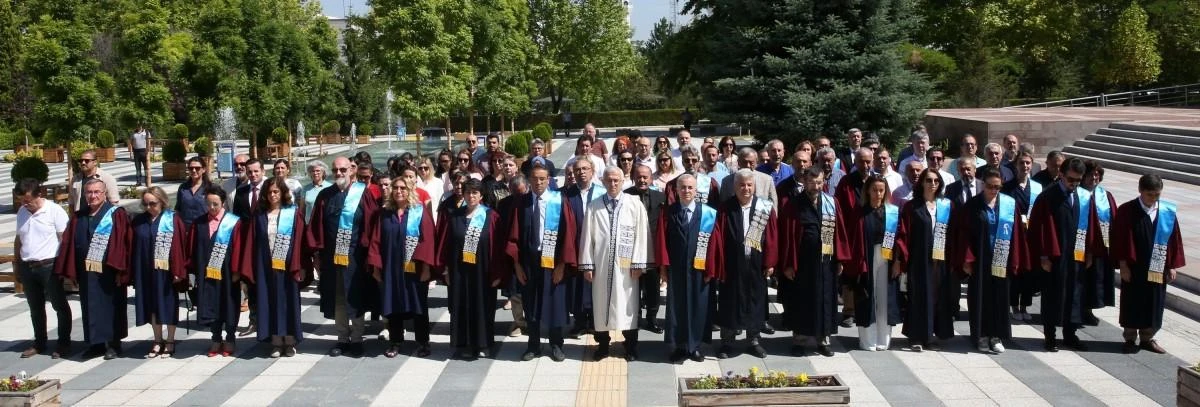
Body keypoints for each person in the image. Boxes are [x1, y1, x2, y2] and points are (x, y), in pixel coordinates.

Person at [307, 156, 381, 357]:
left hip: (356, 256)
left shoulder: (363, 194)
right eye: (335, 170)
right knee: (337, 296)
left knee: (355, 295)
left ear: (352, 170)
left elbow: (372, 225)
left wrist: (370, 255)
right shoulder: (325, 195)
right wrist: (316, 254)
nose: (339, 173)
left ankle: (357, 338)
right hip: (331, 257)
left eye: (343, 170)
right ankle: (342, 337)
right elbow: (316, 226)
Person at [950, 168, 1029, 354]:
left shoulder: (1009, 204)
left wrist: (1015, 259)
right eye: (990, 186)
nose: (994, 190)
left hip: (1001, 257)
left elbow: (1017, 233)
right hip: (980, 259)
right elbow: (965, 235)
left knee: (1000, 298)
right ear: (983, 184)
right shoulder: (973, 205)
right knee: (980, 298)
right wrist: (967, 259)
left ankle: (996, 336)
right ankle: (981, 335)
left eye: (997, 187)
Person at [55, 179, 132, 360]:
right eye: (89, 192)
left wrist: (121, 270)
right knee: (89, 306)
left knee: (111, 306)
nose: (93, 195)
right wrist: (71, 270)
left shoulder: (115, 214)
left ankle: (113, 344)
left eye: (97, 192)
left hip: (109, 272)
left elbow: (123, 243)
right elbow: (70, 244)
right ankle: (95, 344)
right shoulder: (79, 216)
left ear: (104, 194)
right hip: (86, 272)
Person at [507, 166, 578, 362]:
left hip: (553, 261)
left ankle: (556, 344)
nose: (538, 183)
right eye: (534, 179)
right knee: (530, 304)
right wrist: (517, 266)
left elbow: (569, 236)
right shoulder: (521, 203)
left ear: (548, 180)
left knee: (555, 302)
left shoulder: (559, 201)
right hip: (529, 262)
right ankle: (533, 345)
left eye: (542, 179)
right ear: (529, 180)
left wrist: (562, 265)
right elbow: (514, 236)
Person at [1029, 157, 1100, 352]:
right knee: (1052, 296)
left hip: (1077, 256)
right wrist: (1043, 256)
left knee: (1075, 295)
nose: (1074, 184)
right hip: (1054, 258)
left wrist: (1090, 253)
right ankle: (1050, 336)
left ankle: (1070, 334)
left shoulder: (1084, 198)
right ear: (1061, 174)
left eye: (1078, 180)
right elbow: (1039, 228)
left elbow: (1091, 226)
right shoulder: (1047, 197)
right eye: (1070, 179)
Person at [579, 166, 649, 361]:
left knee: (628, 304)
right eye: (609, 180)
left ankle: (630, 345)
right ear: (603, 181)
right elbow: (587, 237)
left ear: (622, 181)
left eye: (616, 180)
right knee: (601, 304)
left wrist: (638, 263)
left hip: (627, 267)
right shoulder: (594, 206)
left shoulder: (634, 204)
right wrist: (587, 264)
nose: (613, 184)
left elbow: (642, 235)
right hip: (601, 266)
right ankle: (602, 344)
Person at [1113, 174, 1185, 354]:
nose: (1153, 199)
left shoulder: (1166, 212)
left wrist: (1172, 265)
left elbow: (1173, 239)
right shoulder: (1127, 210)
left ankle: (1147, 337)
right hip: (1134, 266)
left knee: (1154, 302)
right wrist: (1123, 265)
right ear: (1140, 191)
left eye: (1157, 195)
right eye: (1150, 194)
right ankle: (1130, 338)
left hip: (1157, 265)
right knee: (1132, 301)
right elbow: (1119, 239)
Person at [368, 175, 438, 358]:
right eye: (396, 188)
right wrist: (376, 267)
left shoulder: (419, 211)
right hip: (391, 268)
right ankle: (395, 341)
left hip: (414, 270)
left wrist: (426, 269)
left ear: (410, 190)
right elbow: (375, 240)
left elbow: (428, 240)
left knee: (419, 306)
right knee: (392, 304)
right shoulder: (385, 213)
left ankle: (423, 342)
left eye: (403, 188)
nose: (399, 191)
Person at [710, 170, 778, 359]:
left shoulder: (764, 207)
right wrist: (719, 264)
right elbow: (719, 238)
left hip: (756, 264)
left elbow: (771, 236)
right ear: (735, 186)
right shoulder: (725, 208)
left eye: (749, 185)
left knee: (755, 301)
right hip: (732, 265)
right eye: (742, 185)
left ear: (754, 186)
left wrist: (770, 262)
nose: (746, 188)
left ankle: (753, 341)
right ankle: (727, 341)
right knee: (729, 302)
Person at [437, 179, 506, 359]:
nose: (471, 196)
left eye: (475, 192)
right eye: (468, 192)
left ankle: (483, 344)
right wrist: (445, 270)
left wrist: (498, 272)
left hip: (483, 271)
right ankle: (464, 343)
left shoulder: (491, 216)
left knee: (482, 306)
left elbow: (498, 247)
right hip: (459, 271)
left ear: (481, 195)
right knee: (461, 305)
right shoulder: (455, 216)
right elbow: (446, 244)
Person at [778, 167, 839, 357]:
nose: (816, 186)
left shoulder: (831, 202)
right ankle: (800, 340)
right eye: (812, 182)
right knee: (802, 301)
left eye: (819, 182)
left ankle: (823, 340)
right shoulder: (793, 204)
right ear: (804, 181)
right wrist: (788, 264)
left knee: (825, 299)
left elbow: (839, 233)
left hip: (826, 262)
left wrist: (840, 259)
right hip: (802, 263)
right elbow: (786, 237)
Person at [837, 175, 901, 351]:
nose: (878, 194)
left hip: (887, 257)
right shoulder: (859, 213)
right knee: (867, 296)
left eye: (881, 190)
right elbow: (853, 240)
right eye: (874, 190)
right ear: (868, 191)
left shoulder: (892, 212)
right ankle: (867, 340)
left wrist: (897, 261)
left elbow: (900, 239)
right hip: (866, 257)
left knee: (884, 297)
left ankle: (883, 339)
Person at [894, 168, 955, 351]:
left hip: (940, 259)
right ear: (921, 183)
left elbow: (954, 234)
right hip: (919, 259)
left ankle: (931, 335)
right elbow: (903, 234)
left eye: (936, 181)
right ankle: (916, 337)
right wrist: (901, 259)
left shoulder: (946, 205)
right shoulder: (911, 206)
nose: (933, 184)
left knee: (936, 297)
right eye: (928, 180)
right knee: (918, 297)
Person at [247, 178, 307, 358]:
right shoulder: (259, 215)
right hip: (266, 266)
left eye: (276, 192)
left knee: (288, 301)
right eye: (270, 192)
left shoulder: (293, 214)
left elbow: (301, 242)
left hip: (288, 267)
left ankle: (289, 341)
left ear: (282, 193)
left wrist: (301, 265)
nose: (273, 195)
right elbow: (252, 243)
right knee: (269, 301)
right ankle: (275, 341)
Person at [657, 174, 714, 362]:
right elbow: (662, 242)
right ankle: (680, 346)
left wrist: (711, 270)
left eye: (690, 187)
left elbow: (715, 245)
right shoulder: (668, 212)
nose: (686, 191)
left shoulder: (708, 213)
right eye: (683, 187)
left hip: (700, 270)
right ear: (676, 190)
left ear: (696, 190)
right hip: (677, 270)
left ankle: (695, 346)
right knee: (677, 308)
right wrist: (664, 269)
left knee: (699, 306)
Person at [14, 179, 72, 359]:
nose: (25, 204)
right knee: (35, 307)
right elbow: (19, 239)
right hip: (28, 265)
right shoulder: (22, 212)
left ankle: (63, 342)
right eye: (21, 200)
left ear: (40, 195)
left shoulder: (54, 211)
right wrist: (17, 264)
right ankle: (39, 342)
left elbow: (65, 240)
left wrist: (64, 268)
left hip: (49, 265)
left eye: (28, 200)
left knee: (59, 305)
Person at [191, 186, 250, 358]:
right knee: (211, 304)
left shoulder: (233, 222)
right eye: (208, 204)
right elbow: (194, 248)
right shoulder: (199, 223)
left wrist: (237, 271)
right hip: (207, 273)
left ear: (223, 203)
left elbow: (239, 247)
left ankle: (230, 338)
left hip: (227, 272)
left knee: (229, 304)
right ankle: (216, 338)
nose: (211, 208)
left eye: (215, 204)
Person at [131, 187, 187, 358]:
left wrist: (178, 271)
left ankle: (170, 339)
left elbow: (179, 246)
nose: (149, 207)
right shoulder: (139, 221)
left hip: (166, 272)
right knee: (152, 305)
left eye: (152, 203)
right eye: (145, 204)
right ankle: (157, 339)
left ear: (162, 202)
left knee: (168, 304)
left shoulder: (172, 219)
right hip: (146, 270)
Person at [832, 148, 874, 327]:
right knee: (850, 275)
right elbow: (838, 209)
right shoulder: (846, 182)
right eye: (861, 162)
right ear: (855, 162)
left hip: (872, 235)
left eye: (868, 162)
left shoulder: (876, 181)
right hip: (850, 237)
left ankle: (866, 309)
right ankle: (848, 311)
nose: (865, 165)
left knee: (869, 274)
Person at [562, 158, 602, 337]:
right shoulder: (565, 195)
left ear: (592, 170)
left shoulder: (602, 193)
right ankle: (579, 321)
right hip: (575, 247)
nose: (581, 172)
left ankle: (594, 321)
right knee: (576, 285)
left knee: (595, 284)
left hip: (597, 247)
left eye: (585, 169)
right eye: (577, 170)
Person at [627, 165, 668, 335]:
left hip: (653, 250)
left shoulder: (661, 196)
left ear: (651, 179)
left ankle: (652, 319)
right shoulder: (626, 196)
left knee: (653, 288)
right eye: (638, 177)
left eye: (645, 177)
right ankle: (634, 319)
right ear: (633, 178)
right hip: (631, 251)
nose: (642, 180)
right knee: (633, 288)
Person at [1001, 151, 1042, 322]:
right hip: (1013, 235)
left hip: (1031, 236)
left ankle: (1025, 305)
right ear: (1016, 165)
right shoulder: (1007, 187)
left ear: (1031, 165)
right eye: (1021, 163)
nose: (1024, 166)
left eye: (1027, 163)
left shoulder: (1038, 188)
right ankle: (1014, 305)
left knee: (1028, 271)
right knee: (1015, 270)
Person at [1081, 161, 1118, 325]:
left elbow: (1114, 220)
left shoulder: (1106, 195)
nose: (1093, 178)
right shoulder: (1077, 194)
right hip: (1081, 246)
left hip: (1101, 247)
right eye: (1090, 174)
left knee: (1095, 280)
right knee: (1082, 279)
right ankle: (1080, 310)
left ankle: (1087, 309)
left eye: (1096, 175)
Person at [177, 157, 212, 226]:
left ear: (204, 169)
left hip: (204, 227)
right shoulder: (183, 188)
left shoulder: (211, 188)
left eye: (197, 168)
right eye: (191, 168)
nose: (193, 170)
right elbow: (178, 209)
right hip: (186, 229)